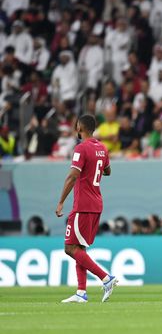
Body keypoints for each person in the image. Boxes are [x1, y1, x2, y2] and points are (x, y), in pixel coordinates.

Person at [55, 115, 118, 303]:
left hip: (82, 204)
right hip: (96, 203)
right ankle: (81, 292)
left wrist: (60, 202)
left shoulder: (81, 148)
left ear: (79, 128)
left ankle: (106, 278)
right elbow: (108, 171)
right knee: (79, 247)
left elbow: (73, 176)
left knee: (69, 248)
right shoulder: (102, 148)